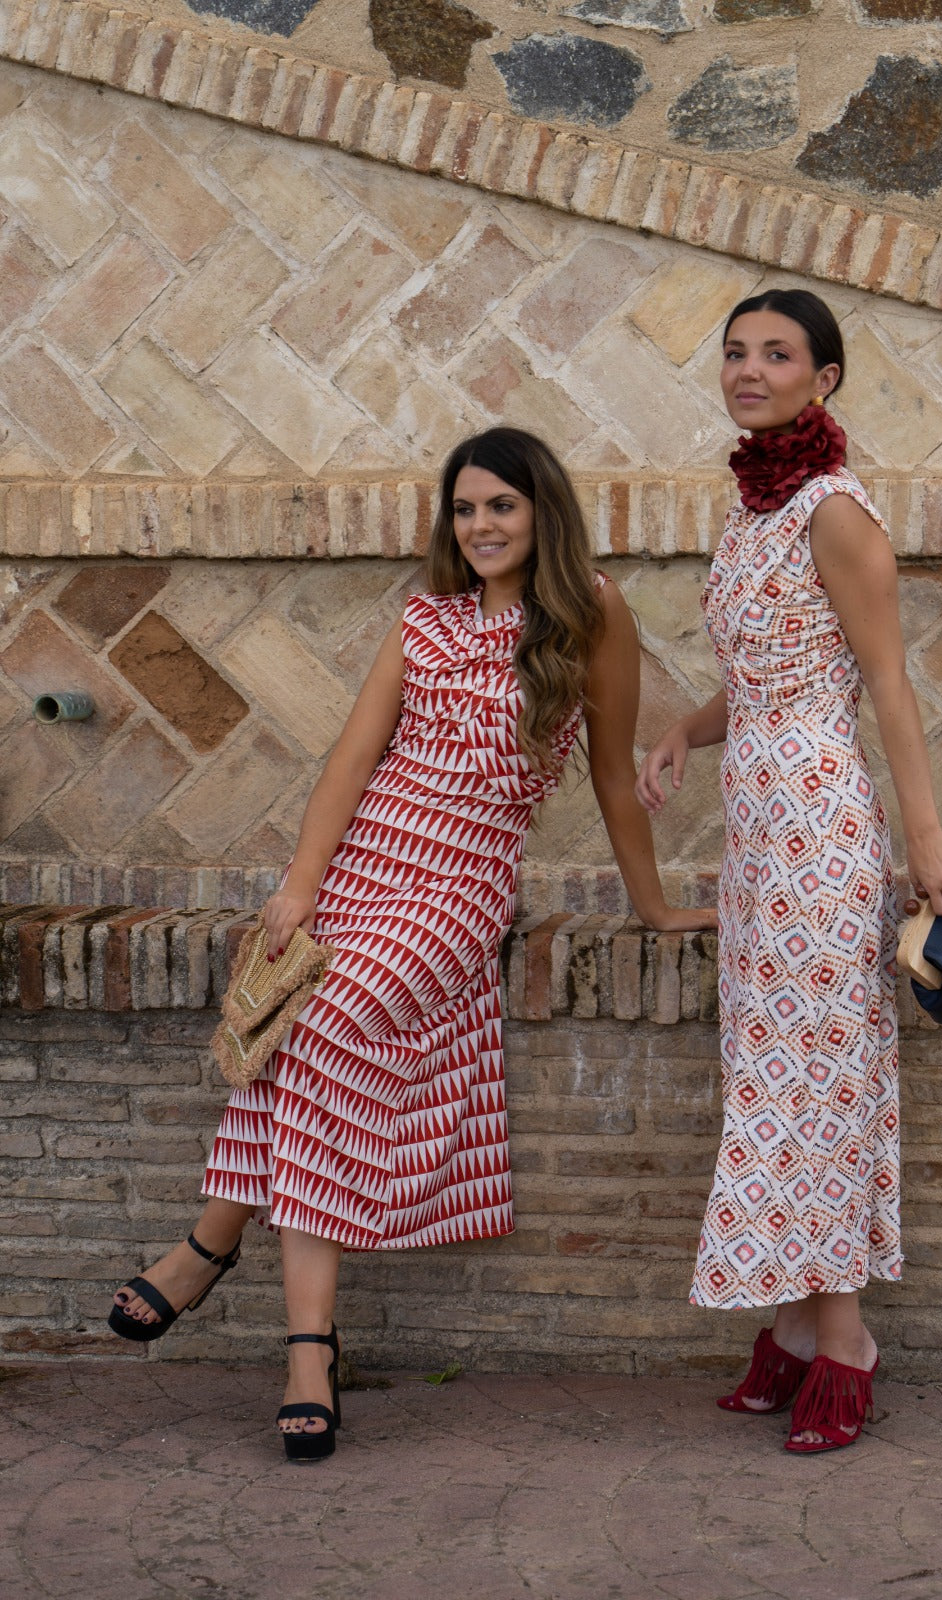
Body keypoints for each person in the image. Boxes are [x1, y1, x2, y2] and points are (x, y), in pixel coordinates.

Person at [109, 426, 715, 1461]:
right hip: (366, 863)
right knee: (299, 1032)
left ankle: (209, 1244)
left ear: (541, 512)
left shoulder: (591, 610)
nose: (480, 526)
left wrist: (653, 908)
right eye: (465, 509)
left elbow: (614, 775)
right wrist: (301, 887)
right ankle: (308, 1350)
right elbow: (353, 759)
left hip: (459, 881)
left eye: (501, 506)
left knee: (324, 1023)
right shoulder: (425, 616)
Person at [636, 290, 942, 1454]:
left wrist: (923, 838)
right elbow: (767, 671)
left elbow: (884, 681)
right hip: (756, 834)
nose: (748, 369)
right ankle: (788, 1321)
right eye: (734, 351)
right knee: (766, 1076)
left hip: (822, 830)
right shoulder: (752, 508)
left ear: (821, 379)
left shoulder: (833, 510)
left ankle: (843, 1339)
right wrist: (684, 728)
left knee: (816, 1083)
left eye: (775, 354)